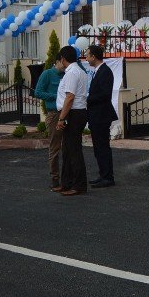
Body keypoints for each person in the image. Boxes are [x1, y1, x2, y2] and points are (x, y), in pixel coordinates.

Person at [55, 45, 89, 196]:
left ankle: (78, 185)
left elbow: (69, 97)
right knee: (67, 151)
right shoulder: (77, 71)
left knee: (74, 151)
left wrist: (61, 118)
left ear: (63, 59)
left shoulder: (72, 73)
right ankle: (66, 183)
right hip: (76, 112)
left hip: (73, 114)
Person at [85, 45, 118, 188]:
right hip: (96, 115)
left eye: (87, 55)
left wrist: (87, 98)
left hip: (101, 115)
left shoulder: (105, 71)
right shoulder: (98, 71)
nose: (86, 58)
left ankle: (108, 177)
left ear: (94, 56)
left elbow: (105, 94)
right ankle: (103, 174)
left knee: (103, 147)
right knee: (98, 147)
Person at [33, 58, 65, 189]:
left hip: (67, 112)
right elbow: (37, 92)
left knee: (69, 146)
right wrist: (57, 96)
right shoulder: (47, 74)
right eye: (63, 62)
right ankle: (55, 178)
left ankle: (67, 176)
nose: (65, 65)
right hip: (54, 114)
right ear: (57, 61)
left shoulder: (67, 74)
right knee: (55, 147)